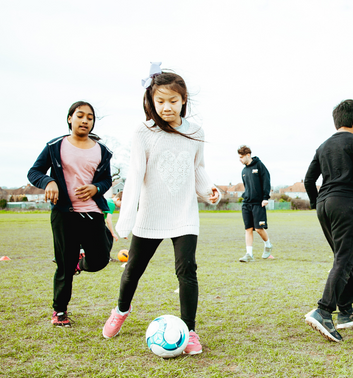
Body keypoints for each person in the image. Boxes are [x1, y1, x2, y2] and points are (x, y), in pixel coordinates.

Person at [102, 62, 221, 355]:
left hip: (184, 214)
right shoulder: (143, 132)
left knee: (187, 270)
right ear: (151, 102)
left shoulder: (196, 132)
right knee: (133, 270)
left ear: (183, 101)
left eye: (173, 100)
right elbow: (134, 177)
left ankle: (190, 331)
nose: (166, 107)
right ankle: (120, 310)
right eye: (160, 101)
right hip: (151, 214)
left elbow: (198, 169)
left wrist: (209, 191)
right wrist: (126, 218)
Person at [28, 101, 114, 327]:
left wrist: (96, 188)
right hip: (64, 214)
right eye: (80, 116)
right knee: (64, 265)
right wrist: (48, 181)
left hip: (92, 212)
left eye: (90, 117)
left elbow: (105, 180)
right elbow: (34, 172)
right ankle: (60, 311)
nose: (85, 120)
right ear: (70, 118)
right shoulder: (55, 146)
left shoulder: (102, 151)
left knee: (100, 259)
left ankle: (81, 262)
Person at [304, 99, 353, 343]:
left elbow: (308, 180)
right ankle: (324, 310)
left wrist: (318, 203)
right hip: (346, 203)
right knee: (345, 258)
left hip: (325, 204)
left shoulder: (323, 146)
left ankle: (346, 311)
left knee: (345, 257)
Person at [237, 145, 274, 262]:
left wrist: (265, 197)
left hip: (258, 203)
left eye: (241, 157)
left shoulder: (259, 165)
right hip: (246, 203)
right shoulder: (244, 171)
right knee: (248, 228)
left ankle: (268, 245)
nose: (240, 159)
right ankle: (249, 254)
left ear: (248, 155)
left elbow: (266, 181)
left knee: (258, 229)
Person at [104, 192, 122, 261]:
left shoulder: (109, 200)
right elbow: (108, 220)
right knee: (109, 237)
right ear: (118, 199)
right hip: (96, 222)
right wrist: (113, 233)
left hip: (96, 222)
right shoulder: (111, 204)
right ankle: (106, 257)